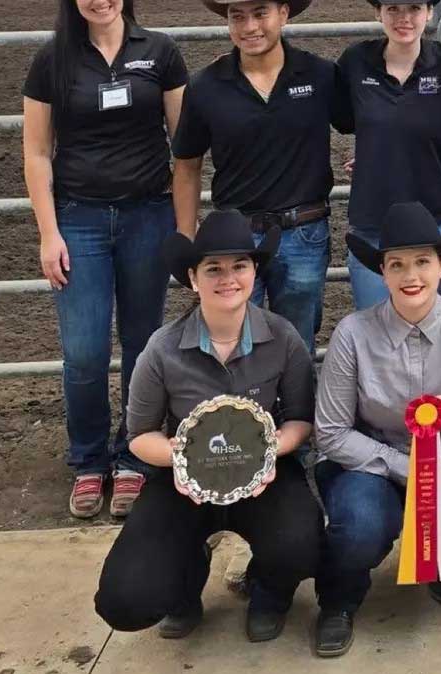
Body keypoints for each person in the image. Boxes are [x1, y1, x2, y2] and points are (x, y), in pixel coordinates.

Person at [93, 210, 323, 644]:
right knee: (126, 600)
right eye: (213, 269)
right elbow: (140, 434)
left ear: (255, 272)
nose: (228, 278)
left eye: (240, 266)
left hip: (261, 477)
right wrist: (181, 459)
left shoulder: (284, 337)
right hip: (183, 481)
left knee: (304, 543)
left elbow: (300, 419)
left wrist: (269, 451)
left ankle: (269, 591)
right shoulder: (162, 349)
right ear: (194, 279)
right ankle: (183, 583)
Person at [310, 203, 441, 657]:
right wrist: (408, 467)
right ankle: (338, 600)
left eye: (422, 261)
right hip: (369, 462)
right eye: (396, 264)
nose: (410, 275)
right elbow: (332, 432)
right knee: (359, 526)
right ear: (381, 272)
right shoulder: (353, 333)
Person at [22, 0, 188, 518]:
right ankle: (90, 459)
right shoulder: (52, 61)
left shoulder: (160, 52)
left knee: (143, 343)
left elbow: (184, 149)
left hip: (148, 217)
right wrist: (49, 232)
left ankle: (134, 456)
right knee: (85, 351)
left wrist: (185, 229)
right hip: (80, 219)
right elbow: (36, 151)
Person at [172, 0, 343, 350]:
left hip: (304, 233)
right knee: (232, 342)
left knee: (297, 344)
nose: (250, 27)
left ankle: (295, 407)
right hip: (235, 237)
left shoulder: (320, 75)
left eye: (260, 13)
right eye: (238, 16)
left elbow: (366, 121)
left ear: (283, 13)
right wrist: (185, 237)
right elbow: (187, 166)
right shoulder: (206, 86)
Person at [335, 1, 441, 309]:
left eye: (414, 7)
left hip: (437, 219)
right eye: (393, 8)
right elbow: (335, 111)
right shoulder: (356, 61)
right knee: (376, 330)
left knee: (434, 331)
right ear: (378, 13)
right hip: (374, 223)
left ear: (429, 13)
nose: (404, 18)